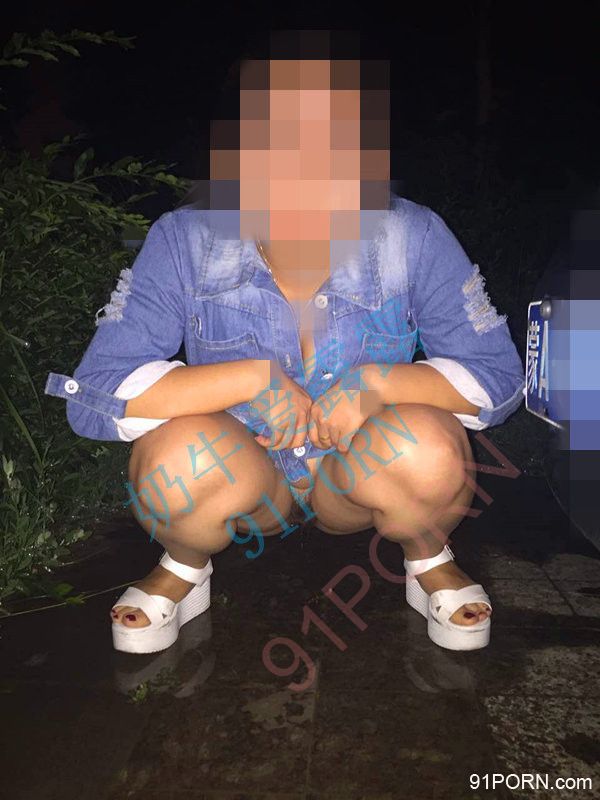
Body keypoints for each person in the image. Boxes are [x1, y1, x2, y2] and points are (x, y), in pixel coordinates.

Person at [44, 30, 525, 655]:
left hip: (354, 471)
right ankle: (186, 561)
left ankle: (427, 553)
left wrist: (378, 384)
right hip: (245, 472)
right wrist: (252, 379)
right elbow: (95, 394)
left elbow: (498, 378)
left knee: (431, 451)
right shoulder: (183, 239)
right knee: (175, 464)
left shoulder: (415, 235)